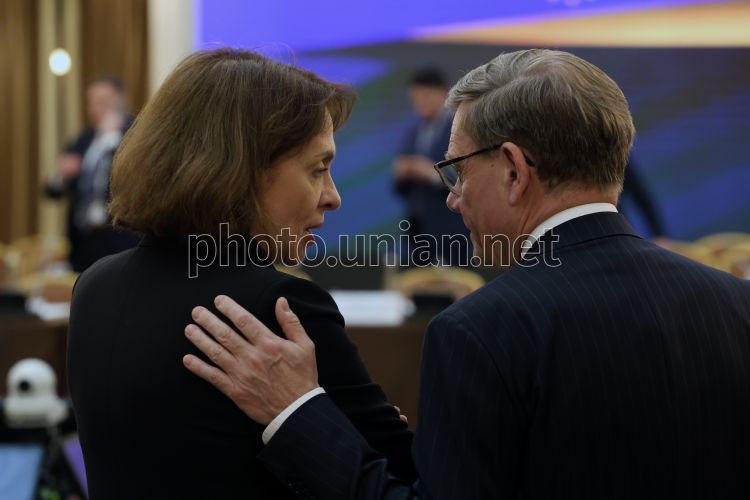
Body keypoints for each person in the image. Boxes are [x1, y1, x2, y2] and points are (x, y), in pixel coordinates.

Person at [181, 49, 750, 499]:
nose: (452, 198)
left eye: (457, 171)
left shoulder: (480, 330)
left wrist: (297, 412)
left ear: (514, 172)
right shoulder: (737, 304)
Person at [67, 49, 415, 500]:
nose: (333, 197)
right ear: (244, 171)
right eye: (318, 169)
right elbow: (404, 480)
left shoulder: (93, 286)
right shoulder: (280, 307)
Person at [45, 77, 139, 272]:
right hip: (83, 241)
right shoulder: (83, 140)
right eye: (92, 103)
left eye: (103, 101)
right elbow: (52, 192)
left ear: (121, 100)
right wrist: (61, 176)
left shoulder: (135, 135)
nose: (96, 108)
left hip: (120, 238)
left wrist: (111, 140)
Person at [394, 68, 470, 266]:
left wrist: (431, 174)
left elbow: (469, 180)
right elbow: (399, 187)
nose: (420, 102)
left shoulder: (458, 130)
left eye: (426, 96)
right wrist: (402, 173)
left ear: (443, 93)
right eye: (415, 98)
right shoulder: (413, 132)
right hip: (418, 234)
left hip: (451, 233)